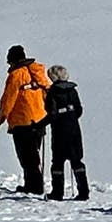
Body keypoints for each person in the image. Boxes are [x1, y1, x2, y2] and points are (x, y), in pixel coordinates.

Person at [0, 45, 50, 193]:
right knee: (34, 155)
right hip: (40, 119)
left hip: (22, 122)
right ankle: (35, 185)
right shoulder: (37, 72)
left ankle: (33, 187)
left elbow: (8, 100)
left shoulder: (16, 75)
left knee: (26, 157)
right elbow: (46, 92)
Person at [43, 64, 88, 201]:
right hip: (74, 129)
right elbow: (79, 110)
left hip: (59, 131)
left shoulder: (53, 92)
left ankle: (57, 192)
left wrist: (39, 125)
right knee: (77, 161)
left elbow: (52, 114)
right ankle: (84, 191)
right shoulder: (73, 91)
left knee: (57, 162)